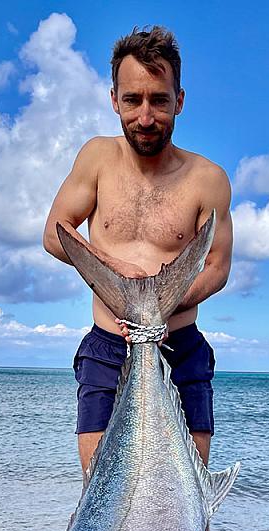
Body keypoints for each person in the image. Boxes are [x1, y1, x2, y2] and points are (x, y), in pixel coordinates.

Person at [43, 26, 233, 473]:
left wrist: (161, 312)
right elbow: (55, 233)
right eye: (132, 100)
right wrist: (119, 271)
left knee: (189, 499)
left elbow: (218, 265)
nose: (145, 117)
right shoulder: (97, 158)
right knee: (100, 498)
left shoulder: (209, 179)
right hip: (107, 348)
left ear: (179, 100)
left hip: (180, 347)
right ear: (114, 99)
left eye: (159, 101)